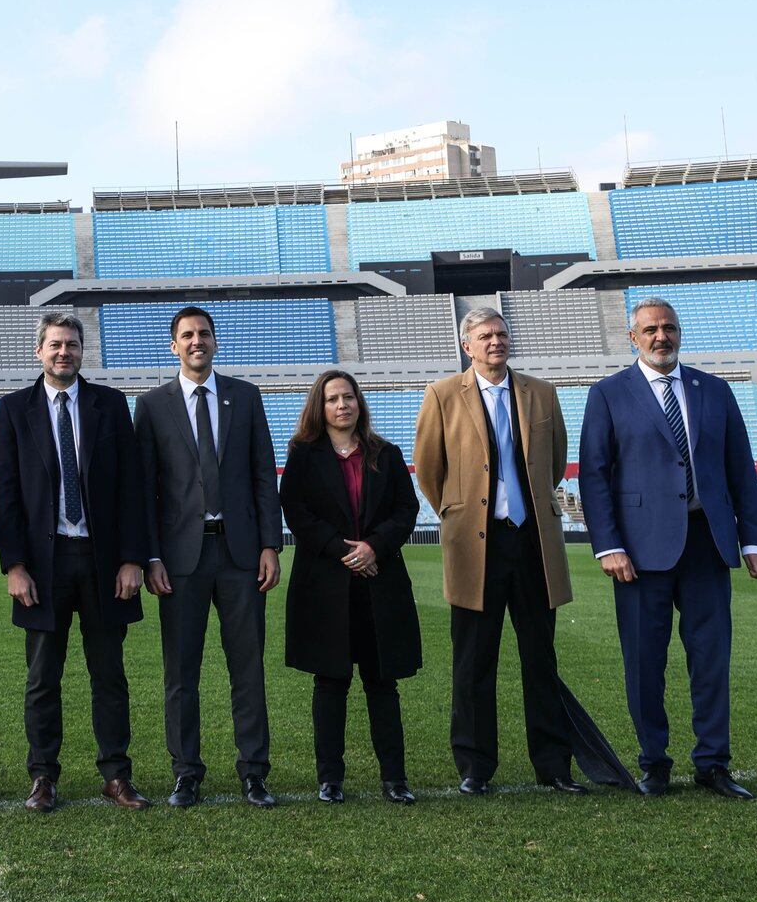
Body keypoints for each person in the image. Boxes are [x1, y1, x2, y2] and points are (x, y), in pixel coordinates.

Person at [579, 297, 757, 800]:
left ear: (679, 333)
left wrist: (754, 538)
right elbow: (595, 478)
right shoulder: (607, 395)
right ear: (632, 337)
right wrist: (608, 546)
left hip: (708, 543)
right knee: (644, 661)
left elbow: (740, 470)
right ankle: (655, 763)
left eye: (668, 328)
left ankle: (713, 762)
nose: (660, 337)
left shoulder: (715, 390)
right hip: (639, 554)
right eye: (650, 330)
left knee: (711, 658)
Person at [412, 307, 585, 795]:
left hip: (532, 544)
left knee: (540, 659)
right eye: (485, 336)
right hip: (474, 547)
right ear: (467, 345)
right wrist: (460, 511)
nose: (496, 342)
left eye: (502, 334)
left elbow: (552, 467)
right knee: (473, 661)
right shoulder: (442, 395)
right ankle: (474, 766)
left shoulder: (541, 393)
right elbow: (428, 468)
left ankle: (553, 766)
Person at [0, 312, 152, 813]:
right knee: (43, 677)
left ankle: (116, 775)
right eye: (55, 345)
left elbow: (131, 489)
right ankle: (43, 776)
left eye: (73, 345)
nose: (64, 353)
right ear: (39, 351)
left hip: (103, 561)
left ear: (84, 351)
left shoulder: (110, 404)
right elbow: (8, 496)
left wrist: (132, 559)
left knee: (109, 673)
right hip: (44, 562)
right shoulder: (14, 409)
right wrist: (15, 566)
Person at [135, 306, 282, 808]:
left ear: (216, 342)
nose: (197, 342)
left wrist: (269, 544)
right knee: (182, 673)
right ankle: (186, 772)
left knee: (248, 667)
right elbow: (147, 489)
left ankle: (254, 772)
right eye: (187, 336)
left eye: (204, 334)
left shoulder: (245, 396)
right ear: (173, 346)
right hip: (180, 558)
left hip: (240, 553)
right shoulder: (152, 405)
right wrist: (151, 556)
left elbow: (264, 473)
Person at [281, 369, 421, 805]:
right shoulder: (303, 455)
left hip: (380, 582)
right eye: (332, 399)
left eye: (348, 397)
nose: (342, 405)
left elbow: (406, 508)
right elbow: (296, 511)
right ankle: (330, 779)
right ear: (318, 408)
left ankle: (394, 779)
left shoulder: (386, 453)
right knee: (330, 683)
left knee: (383, 683)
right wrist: (344, 550)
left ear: (359, 403)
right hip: (325, 584)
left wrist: (373, 548)